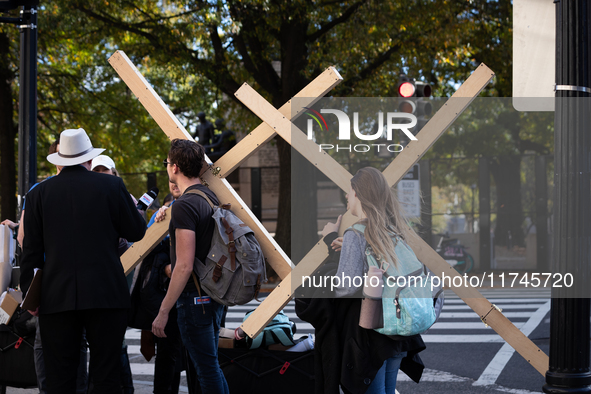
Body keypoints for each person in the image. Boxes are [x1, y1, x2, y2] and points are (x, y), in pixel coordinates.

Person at [20, 128, 146, 394]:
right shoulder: (112, 186)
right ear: (89, 160)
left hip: (56, 296)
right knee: (106, 375)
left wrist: (28, 295)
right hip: (106, 294)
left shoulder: (38, 195)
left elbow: (30, 251)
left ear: (60, 160)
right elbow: (137, 231)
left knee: (60, 377)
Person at [299, 167, 425, 393]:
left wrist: (332, 240)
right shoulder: (390, 230)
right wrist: (341, 247)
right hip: (397, 332)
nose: (346, 197)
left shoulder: (356, 233)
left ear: (357, 193)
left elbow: (345, 287)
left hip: (371, 337)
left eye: (348, 192)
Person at [152, 139, 229, 393]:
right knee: (211, 367)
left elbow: (183, 266)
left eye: (167, 162)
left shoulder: (185, 205)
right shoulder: (209, 196)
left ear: (174, 168)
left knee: (206, 372)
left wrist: (164, 311)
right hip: (213, 294)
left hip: (194, 299)